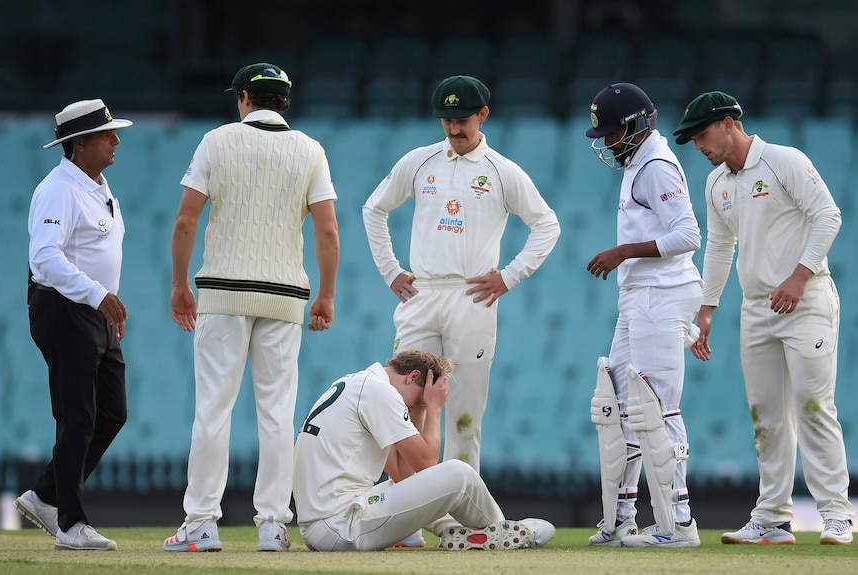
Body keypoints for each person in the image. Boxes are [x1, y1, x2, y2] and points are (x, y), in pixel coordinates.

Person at [162, 62, 340, 553]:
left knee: (213, 409)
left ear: (244, 98)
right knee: (278, 415)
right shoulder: (310, 150)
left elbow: (185, 221)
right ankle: (273, 527)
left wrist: (180, 283)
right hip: (284, 297)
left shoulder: (216, 142)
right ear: (284, 101)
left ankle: (200, 522)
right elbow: (327, 229)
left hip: (222, 292)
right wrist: (325, 293)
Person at [673, 91, 854, 546]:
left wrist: (798, 276)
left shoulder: (783, 160)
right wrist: (707, 308)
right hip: (758, 308)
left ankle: (836, 515)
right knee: (766, 417)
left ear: (729, 124)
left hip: (806, 298)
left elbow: (828, 216)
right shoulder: (717, 184)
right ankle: (772, 518)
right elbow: (719, 246)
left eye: (701, 134)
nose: (697, 145)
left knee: (814, 408)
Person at [362, 74, 561, 474]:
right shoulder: (419, 161)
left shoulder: (502, 171)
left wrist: (509, 276)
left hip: (472, 299)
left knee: (465, 413)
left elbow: (547, 224)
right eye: (447, 120)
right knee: (403, 404)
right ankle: (408, 510)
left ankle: (460, 512)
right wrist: (391, 271)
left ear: (483, 115)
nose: (455, 128)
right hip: (421, 294)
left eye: (463, 119)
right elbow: (374, 209)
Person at [583, 83, 702, 548]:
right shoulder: (638, 162)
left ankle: (678, 523)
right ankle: (622, 518)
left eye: (613, 133)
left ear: (637, 125)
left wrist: (625, 251)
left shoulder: (655, 165)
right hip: (640, 296)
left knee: (656, 407)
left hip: (662, 294)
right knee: (616, 404)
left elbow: (689, 234)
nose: (607, 142)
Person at [14, 99, 132, 551]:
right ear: (78, 144)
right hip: (64, 310)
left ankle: (46, 494)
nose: (116, 140)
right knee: (77, 416)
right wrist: (98, 295)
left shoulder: (96, 183)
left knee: (111, 413)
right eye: (107, 135)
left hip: (92, 311)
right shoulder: (58, 189)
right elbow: (44, 258)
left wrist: (105, 303)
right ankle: (70, 524)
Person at [292, 349, 555, 551]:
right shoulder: (380, 392)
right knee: (459, 474)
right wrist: (434, 408)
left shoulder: (360, 384)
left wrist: (417, 408)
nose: (416, 407)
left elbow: (406, 476)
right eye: (420, 399)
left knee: (410, 485)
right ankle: (503, 533)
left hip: (324, 526)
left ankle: (461, 532)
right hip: (340, 526)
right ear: (414, 377)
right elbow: (427, 464)